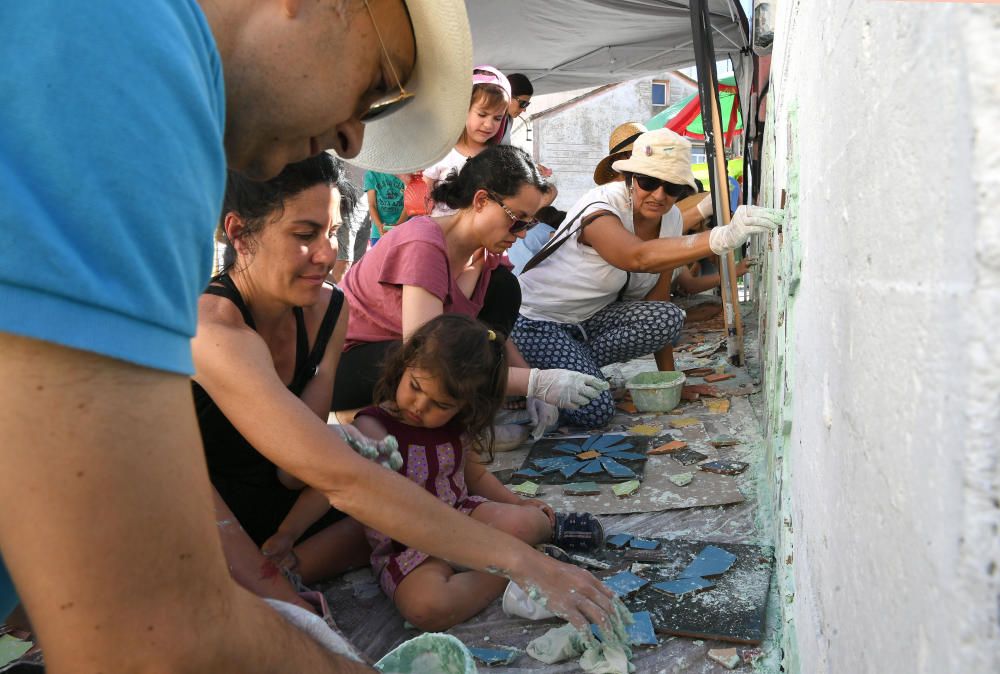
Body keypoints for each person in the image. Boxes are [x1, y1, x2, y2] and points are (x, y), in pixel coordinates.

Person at [0, 1, 619, 671]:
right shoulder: (128, 73)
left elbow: (312, 466)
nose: (354, 138)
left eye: (328, 236)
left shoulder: (323, 305)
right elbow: (155, 629)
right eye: (377, 85)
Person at [271, 315, 602, 631]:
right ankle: (513, 568)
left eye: (441, 405)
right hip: (406, 543)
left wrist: (517, 502)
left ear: (466, 405)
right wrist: (287, 532)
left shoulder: (456, 428)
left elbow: (475, 478)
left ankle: (540, 536)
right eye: (415, 387)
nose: (420, 406)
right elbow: (332, 484)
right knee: (425, 607)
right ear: (403, 366)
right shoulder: (372, 429)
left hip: (463, 516)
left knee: (528, 522)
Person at [332, 145, 609, 439]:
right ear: (480, 200)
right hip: (353, 364)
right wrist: (535, 382)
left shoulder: (485, 257)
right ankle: (372, 416)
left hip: (409, 361)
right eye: (516, 221)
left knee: (504, 286)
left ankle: (454, 414)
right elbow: (428, 356)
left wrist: (535, 390)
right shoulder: (423, 244)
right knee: (440, 355)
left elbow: (492, 337)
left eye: (528, 224)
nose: (523, 234)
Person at [514, 128, 784, 428]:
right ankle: (537, 378)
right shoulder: (601, 205)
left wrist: (669, 383)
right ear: (630, 180)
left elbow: (658, 301)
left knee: (667, 317)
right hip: (537, 321)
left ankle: (567, 367)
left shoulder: (672, 220)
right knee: (596, 412)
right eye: (648, 183)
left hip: (586, 324)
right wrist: (721, 237)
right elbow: (636, 256)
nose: (659, 195)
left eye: (671, 188)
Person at [424, 66, 512, 216]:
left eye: (497, 118)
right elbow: (424, 195)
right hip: (442, 234)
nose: (489, 125)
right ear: (462, 110)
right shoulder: (441, 153)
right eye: (482, 114)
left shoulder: (499, 159)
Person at [508, 206, 565, 275]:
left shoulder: (521, 234)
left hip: (516, 276)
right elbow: (564, 244)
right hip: (534, 276)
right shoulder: (544, 228)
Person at [364, 170, 405, 246]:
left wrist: (399, 224)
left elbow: (408, 205)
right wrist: (379, 226)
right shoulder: (372, 174)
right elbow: (372, 205)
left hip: (403, 230)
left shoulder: (406, 172)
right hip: (378, 233)